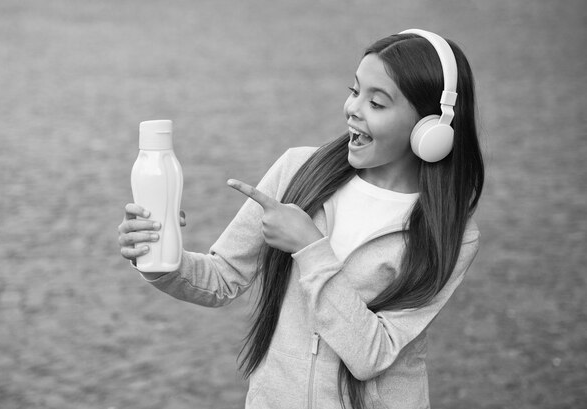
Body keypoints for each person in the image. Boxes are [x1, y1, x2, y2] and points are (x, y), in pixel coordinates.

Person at [117, 29, 484, 409]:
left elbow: (372, 355)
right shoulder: (297, 170)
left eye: (377, 103)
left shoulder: (451, 234)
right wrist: (161, 260)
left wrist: (310, 249)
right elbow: (223, 278)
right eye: (354, 90)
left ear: (432, 128)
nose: (353, 108)